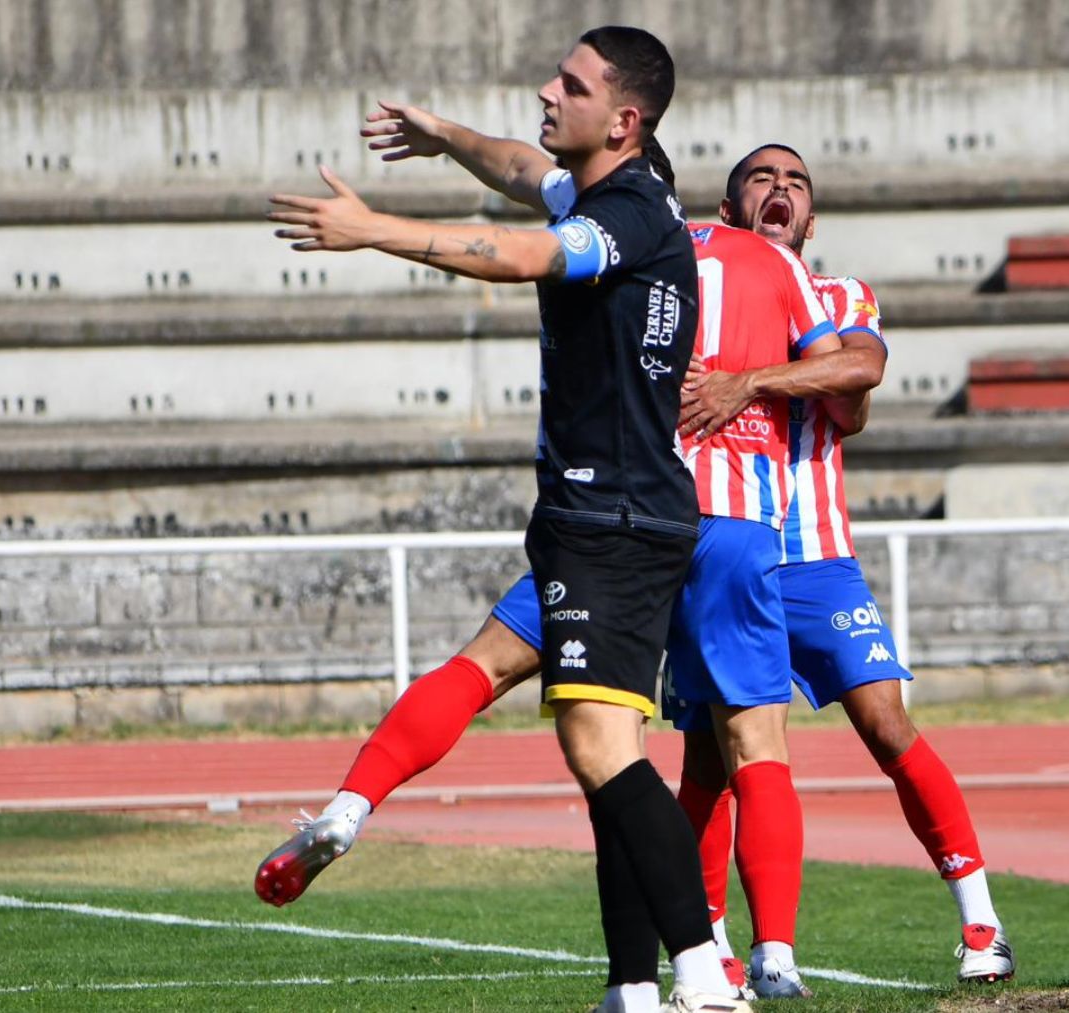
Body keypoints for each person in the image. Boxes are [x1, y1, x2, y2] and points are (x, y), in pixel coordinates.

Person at [260, 26, 749, 1013]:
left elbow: (527, 250)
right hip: (615, 511)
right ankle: (636, 987)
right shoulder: (625, 194)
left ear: (622, 120)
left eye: (569, 83)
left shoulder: (620, 224)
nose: (545, 90)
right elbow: (527, 173)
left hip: (609, 515)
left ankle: (704, 973)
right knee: (608, 746)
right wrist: (445, 135)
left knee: (599, 748)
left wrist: (377, 229)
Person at [673, 144, 1013, 989]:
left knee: (889, 727)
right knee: (707, 763)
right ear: (728, 209)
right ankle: (709, 942)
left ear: (811, 219)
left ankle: (982, 919)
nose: (779, 190)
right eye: (761, 178)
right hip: (718, 540)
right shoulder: (693, 292)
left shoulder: (839, 295)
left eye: (795, 183)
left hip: (815, 558)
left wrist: (747, 380)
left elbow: (856, 383)